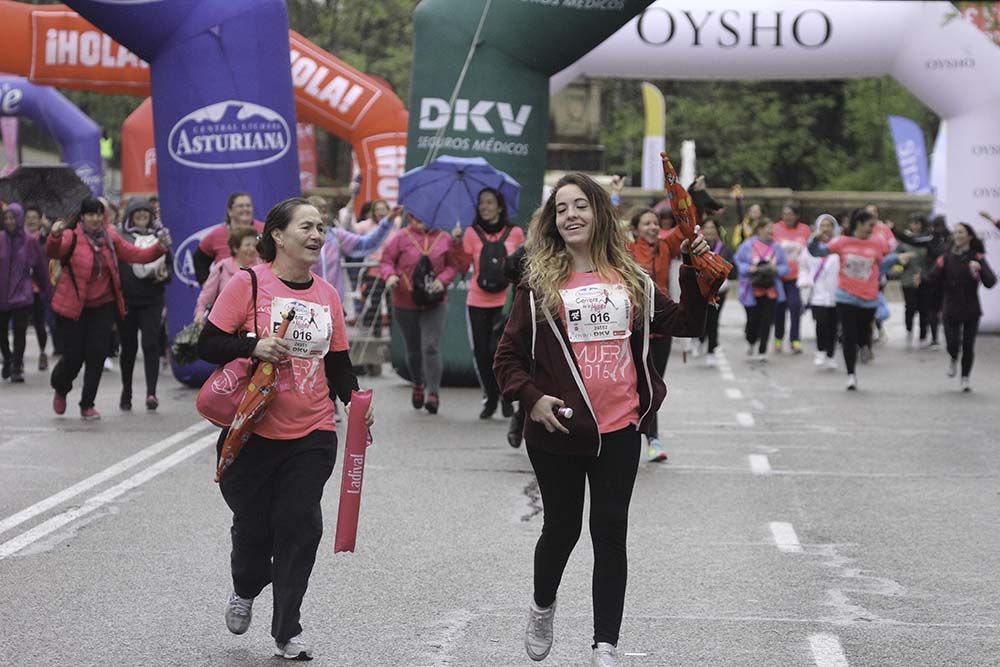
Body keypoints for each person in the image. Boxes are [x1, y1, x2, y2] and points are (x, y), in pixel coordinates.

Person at [493, 173, 709, 667]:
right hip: (560, 430)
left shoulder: (630, 278)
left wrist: (697, 270)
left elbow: (688, 323)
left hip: (620, 429)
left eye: (581, 206)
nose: (571, 215)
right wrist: (533, 400)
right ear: (552, 221)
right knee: (562, 530)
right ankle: (542, 606)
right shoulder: (538, 283)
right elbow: (506, 359)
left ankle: (604, 645)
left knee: (610, 531)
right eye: (561, 208)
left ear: (599, 213)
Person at [197, 197, 373, 661]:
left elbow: (337, 362)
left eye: (321, 228)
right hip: (252, 431)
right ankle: (245, 584)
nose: (317, 235)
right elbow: (207, 343)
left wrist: (356, 402)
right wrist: (254, 345)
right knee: (254, 528)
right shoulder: (249, 283)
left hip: (312, 431)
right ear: (277, 235)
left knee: (299, 524)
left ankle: (287, 630)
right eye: (306, 227)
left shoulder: (327, 295)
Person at [47, 197, 170, 419]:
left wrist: (160, 247)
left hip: (102, 306)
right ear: (82, 217)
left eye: (98, 214)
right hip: (73, 307)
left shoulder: (110, 238)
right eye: (90, 214)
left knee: (96, 355)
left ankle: (87, 404)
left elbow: (137, 255)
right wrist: (55, 235)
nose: (95, 218)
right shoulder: (71, 236)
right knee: (73, 358)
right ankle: (61, 387)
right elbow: (53, 252)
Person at [380, 213, 463, 414]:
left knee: (430, 346)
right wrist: (390, 276)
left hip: (435, 301)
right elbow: (386, 260)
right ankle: (418, 383)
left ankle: (433, 393)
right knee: (414, 348)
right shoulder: (401, 236)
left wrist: (442, 280)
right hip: (404, 301)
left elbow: (454, 265)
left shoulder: (444, 237)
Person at [455, 187, 525, 419]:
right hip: (477, 300)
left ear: (500, 206)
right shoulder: (471, 233)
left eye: (489, 202)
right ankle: (491, 397)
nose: (485, 207)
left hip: (505, 302)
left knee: (501, 352)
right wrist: (456, 243)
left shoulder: (515, 233)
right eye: (481, 203)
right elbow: (463, 268)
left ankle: (506, 395)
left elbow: (523, 265)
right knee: (482, 353)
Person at [807, 209, 897, 390]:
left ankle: (865, 345)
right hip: (846, 296)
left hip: (869, 298)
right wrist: (814, 238)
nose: (873, 229)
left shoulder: (877, 243)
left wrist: (897, 259)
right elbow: (816, 252)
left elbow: (885, 261)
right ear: (859, 224)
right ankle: (851, 374)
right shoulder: (842, 242)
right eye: (871, 225)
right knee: (848, 334)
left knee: (864, 331)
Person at [626, 206, 683, 462]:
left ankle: (652, 438)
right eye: (646, 224)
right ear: (636, 229)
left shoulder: (666, 246)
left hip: (661, 325)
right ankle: (637, 436)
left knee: (653, 384)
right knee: (633, 384)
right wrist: (615, 196)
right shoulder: (626, 250)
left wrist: (687, 197)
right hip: (634, 326)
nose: (652, 227)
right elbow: (604, 229)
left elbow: (686, 228)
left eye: (655, 224)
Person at [926, 223, 996, 391]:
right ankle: (953, 357)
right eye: (955, 232)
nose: (957, 235)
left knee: (968, 345)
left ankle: (965, 378)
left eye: (961, 232)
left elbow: (991, 282)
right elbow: (932, 277)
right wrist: (923, 279)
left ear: (969, 237)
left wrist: (980, 270)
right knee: (952, 343)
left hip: (971, 308)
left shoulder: (977, 257)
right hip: (950, 306)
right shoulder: (946, 257)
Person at [117, 197, 172, 411]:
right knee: (128, 348)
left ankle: (151, 392)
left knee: (150, 345)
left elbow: (170, 265)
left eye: (145, 212)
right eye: (137, 212)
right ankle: (127, 391)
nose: (141, 215)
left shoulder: (161, 236)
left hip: (152, 299)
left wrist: (165, 274)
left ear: (151, 216)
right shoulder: (121, 237)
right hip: (128, 300)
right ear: (130, 215)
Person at [313, 200, 395, 322]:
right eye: (317, 212)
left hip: (334, 305)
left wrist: (386, 222)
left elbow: (366, 243)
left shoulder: (336, 236)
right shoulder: (299, 239)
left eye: (324, 212)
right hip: (309, 305)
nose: (322, 216)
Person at [1, 203, 50, 382]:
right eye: (6, 218)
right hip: (2, 292)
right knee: (2, 333)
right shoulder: (0, 239)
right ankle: (7, 357)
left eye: (12, 218)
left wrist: (46, 289)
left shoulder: (29, 241)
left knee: (20, 331)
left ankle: (16, 366)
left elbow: (40, 267)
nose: (9, 221)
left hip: (22, 293)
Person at [734, 218, 789, 363]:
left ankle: (763, 349)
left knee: (767, 321)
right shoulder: (748, 245)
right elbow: (738, 261)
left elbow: (785, 268)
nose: (771, 231)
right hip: (751, 290)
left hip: (771, 290)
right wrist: (749, 268)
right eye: (767, 228)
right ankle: (751, 341)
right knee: (753, 321)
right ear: (759, 229)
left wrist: (775, 268)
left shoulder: (777, 248)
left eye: (772, 228)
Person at [797, 214, 840, 370]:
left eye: (829, 225)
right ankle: (820, 351)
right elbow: (803, 267)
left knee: (833, 326)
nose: (826, 229)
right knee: (821, 324)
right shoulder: (810, 248)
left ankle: (831, 355)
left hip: (836, 294)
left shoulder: (839, 246)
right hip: (817, 293)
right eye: (823, 225)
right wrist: (804, 281)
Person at [193, 193, 264, 285]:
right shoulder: (216, 234)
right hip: (226, 290)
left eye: (248, 205)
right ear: (230, 211)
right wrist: (206, 284)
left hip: (260, 287)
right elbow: (199, 259)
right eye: (240, 206)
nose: (245, 209)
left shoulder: (264, 230)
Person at [195, 226, 261, 325]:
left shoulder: (262, 268)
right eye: (247, 245)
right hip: (225, 322)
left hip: (254, 323)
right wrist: (200, 313)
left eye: (254, 245)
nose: (252, 249)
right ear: (235, 248)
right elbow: (207, 296)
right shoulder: (222, 267)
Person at [771, 202, 810, 354]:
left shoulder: (805, 230)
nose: (787, 217)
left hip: (796, 277)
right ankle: (778, 339)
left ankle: (795, 340)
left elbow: (808, 250)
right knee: (779, 308)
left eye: (790, 214)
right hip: (779, 277)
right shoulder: (775, 228)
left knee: (795, 308)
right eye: (784, 214)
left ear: (797, 216)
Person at [697, 218, 737, 366]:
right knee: (702, 319)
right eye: (706, 228)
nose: (709, 231)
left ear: (717, 231)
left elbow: (733, 269)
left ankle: (711, 350)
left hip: (719, 292)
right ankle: (700, 339)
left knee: (714, 321)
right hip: (701, 291)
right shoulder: (696, 247)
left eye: (712, 228)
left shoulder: (724, 249)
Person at [22, 205, 53, 370]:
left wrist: (48, 230)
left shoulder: (45, 237)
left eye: (35, 217)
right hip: (21, 287)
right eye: (28, 217)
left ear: (41, 219)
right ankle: (18, 357)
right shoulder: (19, 238)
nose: (31, 220)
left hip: (38, 288)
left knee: (40, 323)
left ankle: (42, 352)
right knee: (21, 325)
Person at [892, 215, 930, 349]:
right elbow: (895, 257)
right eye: (913, 223)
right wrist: (901, 261)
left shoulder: (928, 239)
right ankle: (909, 330)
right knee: (910, 306)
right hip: (908, 279)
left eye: (918, 223)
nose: (915, 226)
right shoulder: (904, 241)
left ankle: (923, 335)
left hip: (925, 278)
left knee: (924, 308)